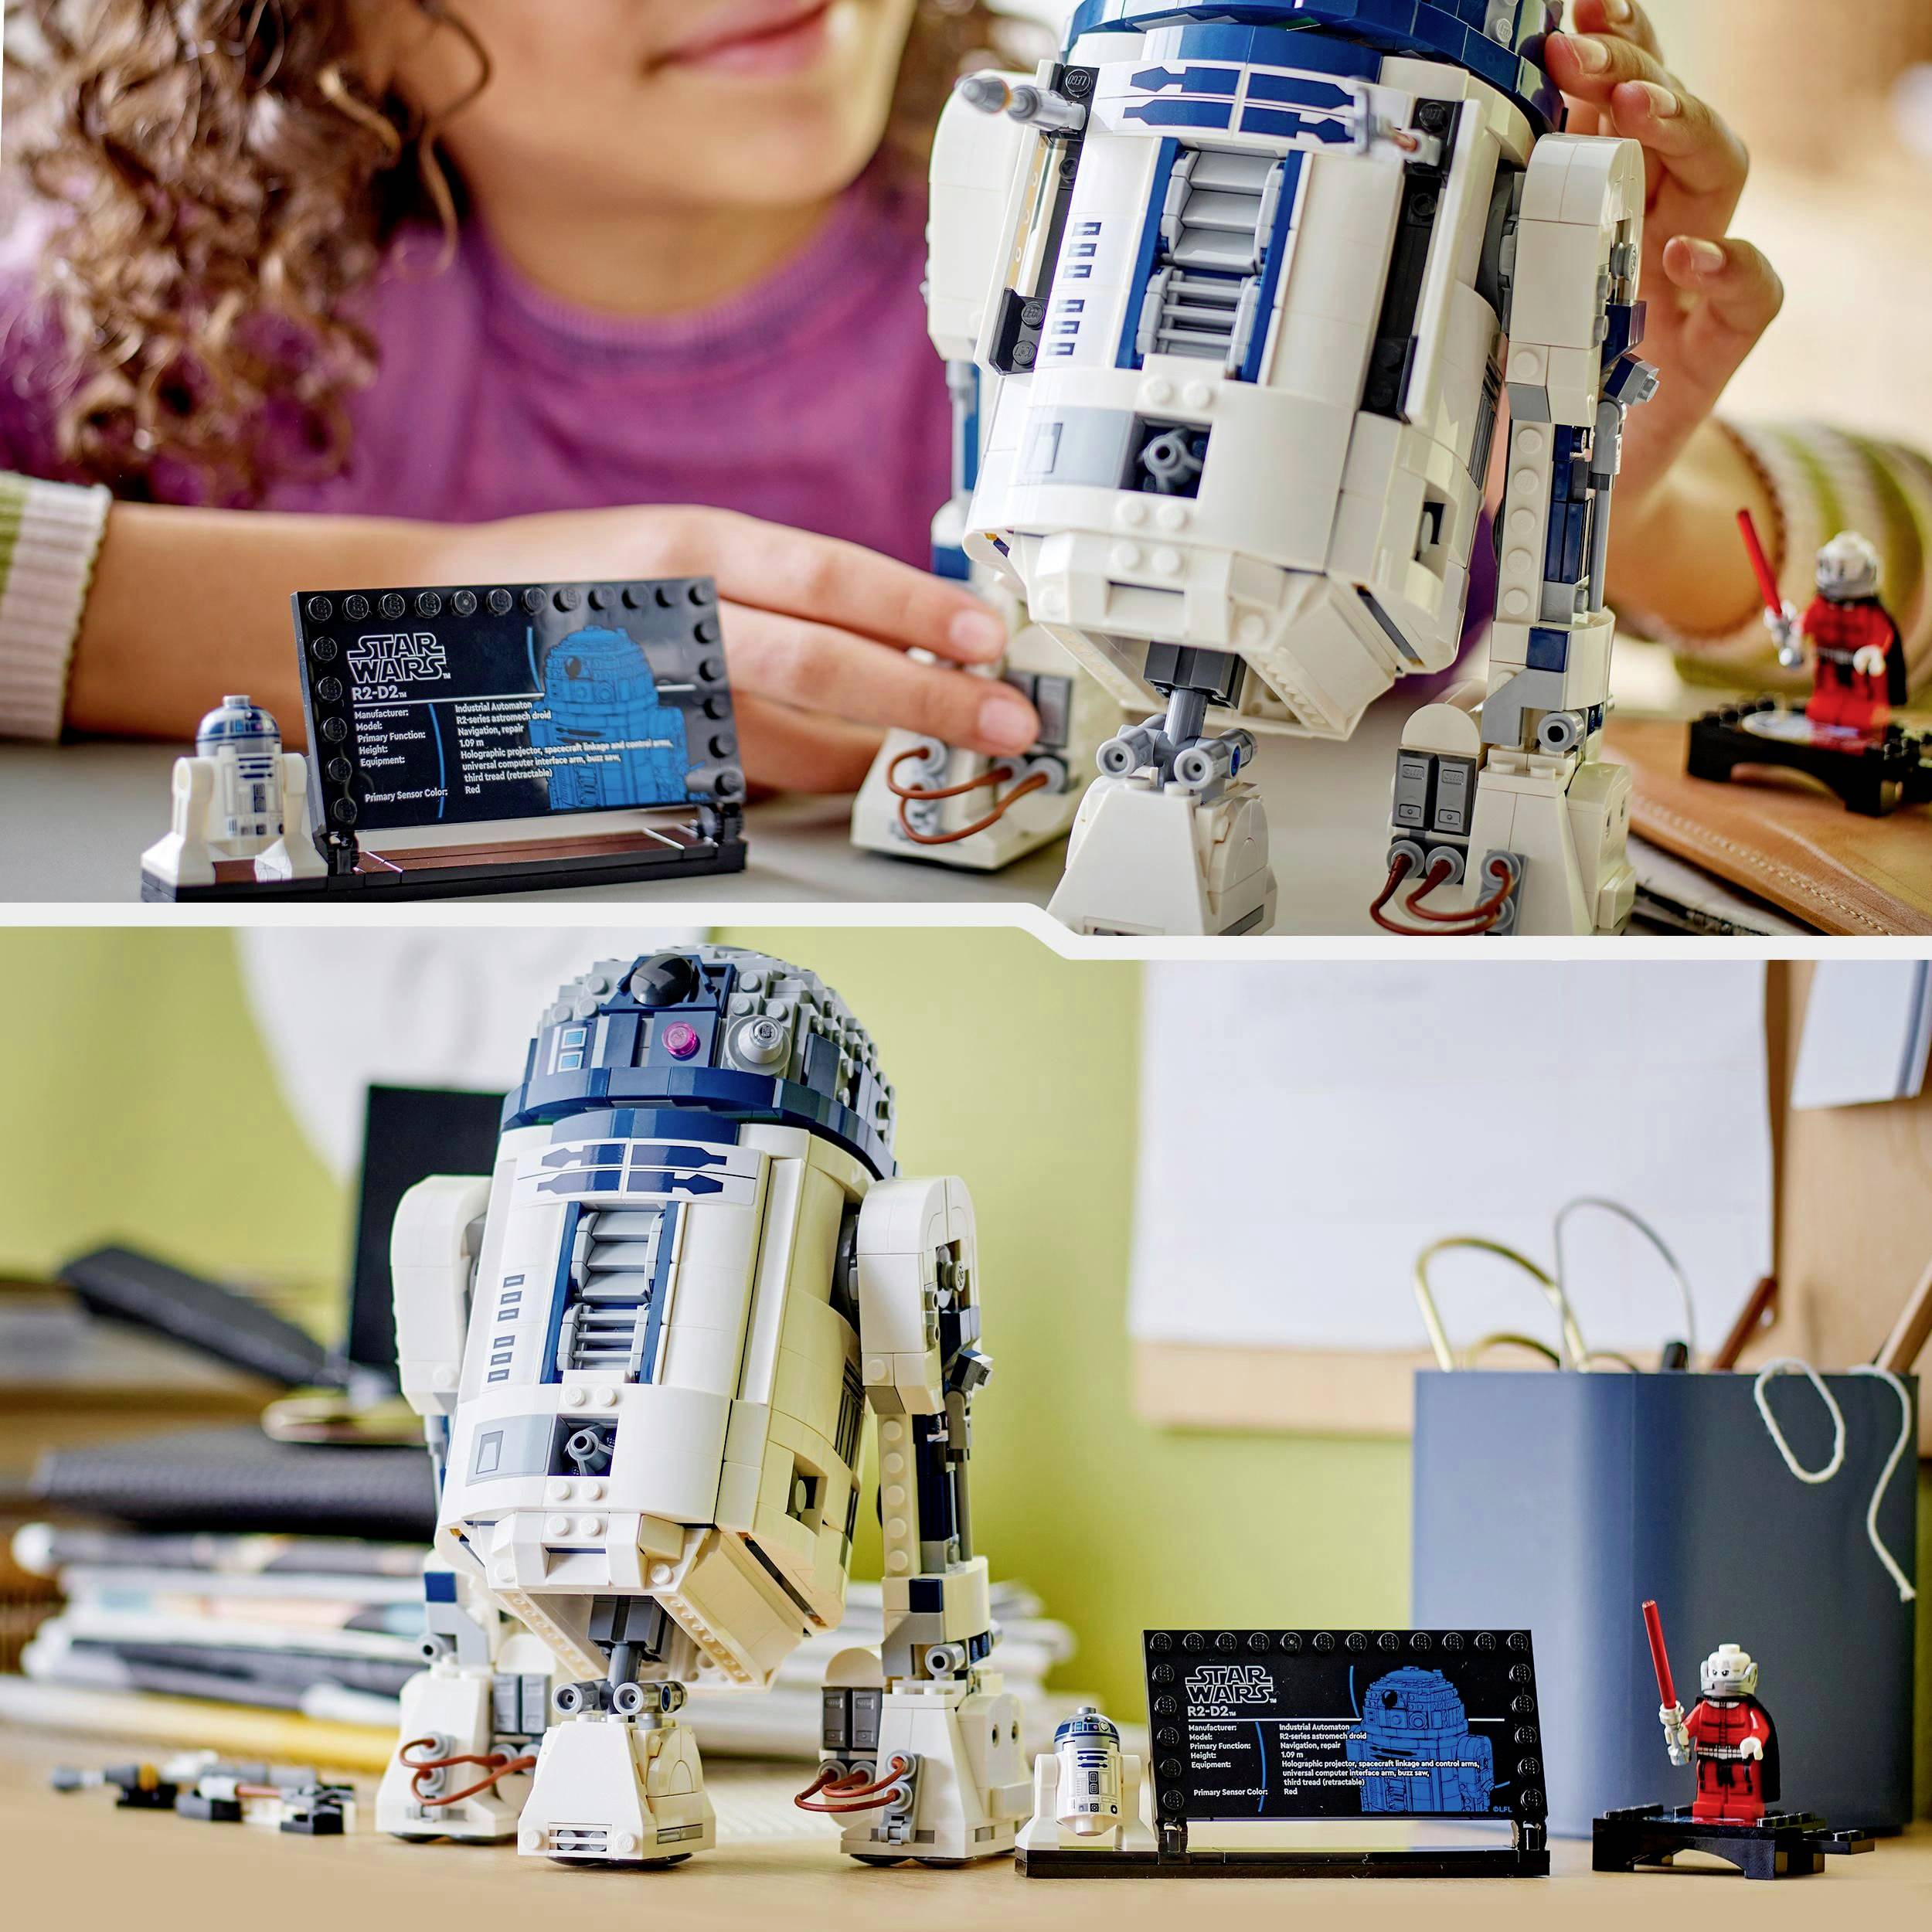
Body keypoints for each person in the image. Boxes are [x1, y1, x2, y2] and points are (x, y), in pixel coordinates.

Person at [0, 0, 1911, 777]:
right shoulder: (147, 347)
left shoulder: (1154, 233)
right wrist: (401, 638)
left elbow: (1877, 550)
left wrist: (1629, 511)